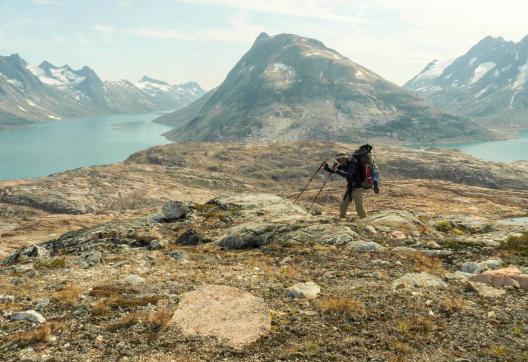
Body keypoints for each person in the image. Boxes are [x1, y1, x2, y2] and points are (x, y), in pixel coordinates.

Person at [322, 150, 375, 219]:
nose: (338, 161)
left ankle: (365, 221)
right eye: (338, 160)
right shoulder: (344, 165)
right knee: (343, 206)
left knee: (359, 207)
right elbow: (334, 171)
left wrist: (337, 171)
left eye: (339, 159)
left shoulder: (353, 164)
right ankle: (342, 220)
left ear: (344, 158)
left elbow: (348, 175)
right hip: (350, 189)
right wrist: (326, 167)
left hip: (357, 189)